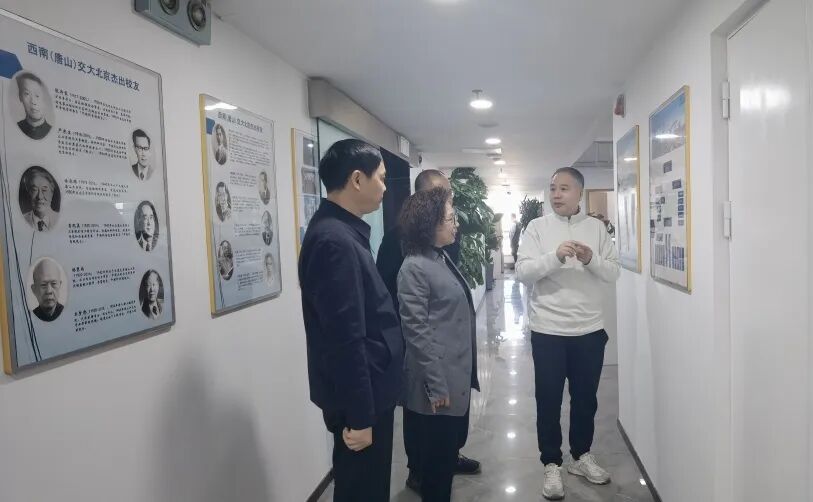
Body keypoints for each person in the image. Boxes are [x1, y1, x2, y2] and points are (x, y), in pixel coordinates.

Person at [298, 139, 403, 502]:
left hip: (371, 391)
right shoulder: (334, 242)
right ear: (357, 179)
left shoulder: (343, 231)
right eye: (382, 178)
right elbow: (345, 338)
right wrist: (360, 417)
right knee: (362, 491)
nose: (385, 187)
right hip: (362, 400)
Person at [515, 167, 620, 500]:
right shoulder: (536, 228)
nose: (556, 194)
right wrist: (555, 256)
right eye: (552, 188)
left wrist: (591, 259)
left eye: (563, 188)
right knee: (548, 400)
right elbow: (523, 272)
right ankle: (551, 463)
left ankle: (581, 456)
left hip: (589, 330)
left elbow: (613, 272)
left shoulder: (596, 229)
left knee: (585, 399)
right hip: (548, 330)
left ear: (579, 193)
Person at [375, 169, 479, 494]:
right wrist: (435, 382)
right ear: (429, 221)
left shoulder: (440, 255)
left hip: (448, 366)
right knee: (432, 458)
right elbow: (416, 327)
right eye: (450, 217)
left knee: (443, 453)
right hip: (431, 368)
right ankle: (419, 470)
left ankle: (443, 461)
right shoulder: (413, 264)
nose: (456, 223)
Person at [20, 166, 59, 232]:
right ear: (29, 192)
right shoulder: (22, 219)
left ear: (52, 193)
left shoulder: (60, 218)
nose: (39, 197)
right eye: (34, 190)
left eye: (44, 190)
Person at [16, 72, 51, 140]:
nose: (33, 102)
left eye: (37, 95)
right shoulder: (16, 127)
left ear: (44, 98)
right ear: (20, 97)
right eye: (27, 94)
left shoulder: (50, 131)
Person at [30, 258, 63, 322]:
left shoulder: (66, 312)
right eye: (43, 285)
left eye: (53, 284)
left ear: (60, 285)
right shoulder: (31, 316)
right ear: (34, 289)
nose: (49, 291)